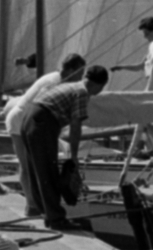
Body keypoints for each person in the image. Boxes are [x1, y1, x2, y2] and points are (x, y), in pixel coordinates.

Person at [15, 65, 108, 230]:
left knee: (37, 171)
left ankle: (47, 214)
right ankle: (57, 219)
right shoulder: (82, 93)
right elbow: (76, 125)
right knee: (48, 172)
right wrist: (73, 156)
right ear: (100, 85)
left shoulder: (70, 85)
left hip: (29, 118)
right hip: (42, 122)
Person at [2, 54, 86, 219]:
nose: (81, 78)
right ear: (69, 70)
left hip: (25, 119)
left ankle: (34, 204)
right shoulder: (55, 82)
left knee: (30, 165)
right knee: (27, 165)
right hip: (22, 120)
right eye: (79, 73)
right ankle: (32, 205)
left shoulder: (56, 79)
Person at [112, 16, 153, 160]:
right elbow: (140, 66)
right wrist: (121, 67)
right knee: (143, 117)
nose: (144, 36)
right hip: (151, 86)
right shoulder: (151, 47)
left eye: (146, 33)